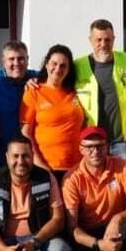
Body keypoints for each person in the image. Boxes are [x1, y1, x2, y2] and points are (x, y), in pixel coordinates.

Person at [74, 19, 126, 163]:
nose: (103, 44)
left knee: (125, 178)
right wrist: (34, 79)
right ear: (90, 40)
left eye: (107, 40)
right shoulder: (78, 66)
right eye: (99, 40)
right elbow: (56, 80)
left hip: (122, 143)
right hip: (92, 144)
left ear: (114, 39)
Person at [20, 44, 85, 182]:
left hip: (77, 167)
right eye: (54, 64)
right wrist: (39, 164)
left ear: (69, 70)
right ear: (46, 64)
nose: (58, 69)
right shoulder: (33, 91)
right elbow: (25, 133)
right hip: (46, 166)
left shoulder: (76, 92)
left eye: (63, 66)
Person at [0, 41, 39, 167]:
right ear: (3, 61)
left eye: (21, 58)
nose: (16, 63)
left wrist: (39, 80)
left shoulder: (38, 78)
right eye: (11, 59)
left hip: (31, 156)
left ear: (27, 59)